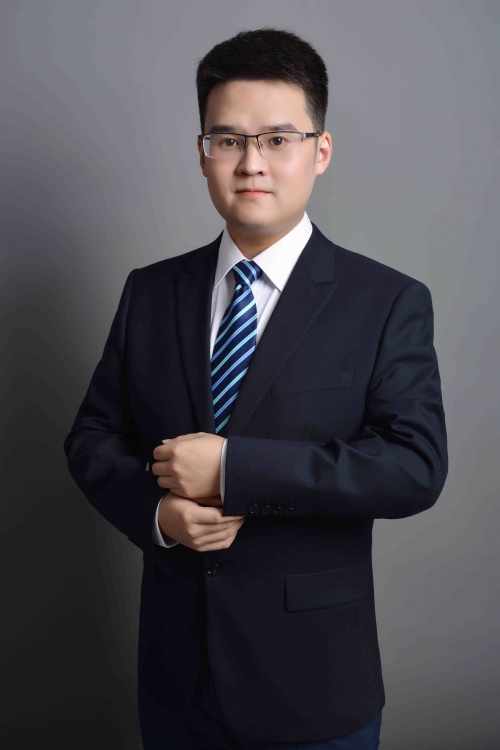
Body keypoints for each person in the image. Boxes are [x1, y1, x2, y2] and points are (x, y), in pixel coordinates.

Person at [64, 28, 447, 749]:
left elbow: (414, 466)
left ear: (320, 151)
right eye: (228, 140)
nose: (251, 162)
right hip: (176, 682)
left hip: (313, 688)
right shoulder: (150, 292)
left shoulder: (385, 301)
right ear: (202, 152)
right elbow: (91, 437)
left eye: (277, 139)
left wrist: (234, 468)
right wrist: (158, 515)